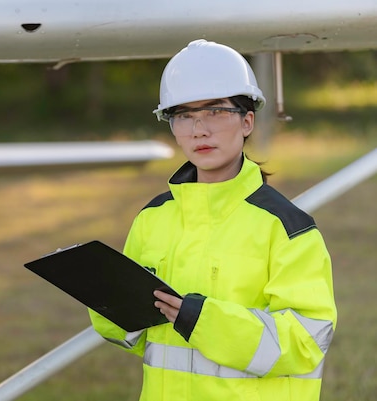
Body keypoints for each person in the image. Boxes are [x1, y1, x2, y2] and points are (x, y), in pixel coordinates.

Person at [88, 39, 337, 401]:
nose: (198, 130)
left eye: (215, 112)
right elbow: (133, 336)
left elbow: (305, 343)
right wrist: (103, 297)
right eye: (183, 115)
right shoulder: (153, 218)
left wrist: (204, 320)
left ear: (247, 121)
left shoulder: (286, 227)